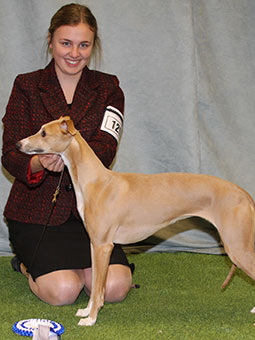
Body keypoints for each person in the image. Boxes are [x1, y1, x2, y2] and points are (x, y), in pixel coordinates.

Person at [2, 3, 134, 306]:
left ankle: (78, 267)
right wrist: (38, 162)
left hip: (94, 212)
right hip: (37, 214)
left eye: (83, 45)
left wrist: (66, 157)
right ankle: (25, 264)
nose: (74, 53)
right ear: (51, 41)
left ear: (92, 46)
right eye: (66, 43)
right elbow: (11, 152)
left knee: (114, 289)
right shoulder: (27, 85)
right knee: (64, 291)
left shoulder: (108, 89)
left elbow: (106, 147)